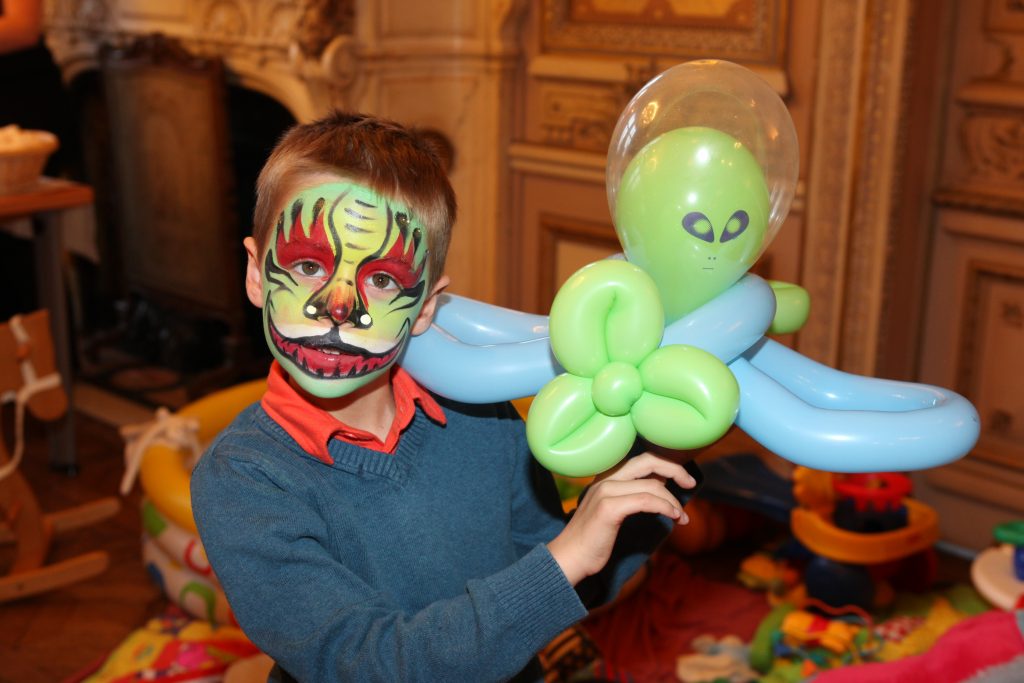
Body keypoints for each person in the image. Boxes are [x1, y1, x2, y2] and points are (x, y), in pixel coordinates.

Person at [190, 111, 696, 683]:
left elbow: (554, 589)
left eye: (382, 280)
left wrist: (662, 464)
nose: (338, 305)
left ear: (427, 305)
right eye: (308, 266)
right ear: (257, 273)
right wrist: (564, 560)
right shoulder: (243, 479)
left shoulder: (482, 416)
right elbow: (370, 664)